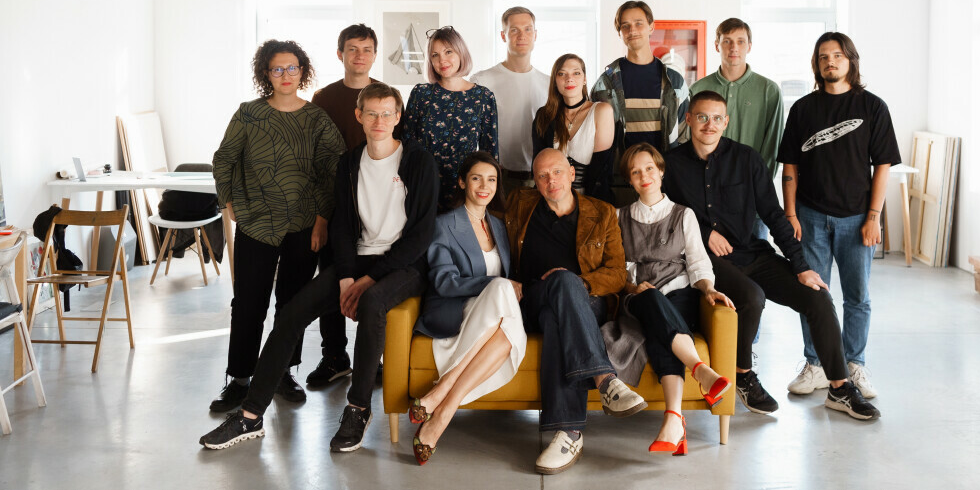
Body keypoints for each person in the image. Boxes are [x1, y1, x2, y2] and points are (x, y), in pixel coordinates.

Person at [199, 82, 440, 452]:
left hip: (405, 264)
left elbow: (421, 235)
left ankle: (358, 409)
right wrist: (346, 277)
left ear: (398, 117)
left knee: (373, 302)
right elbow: (341, 227)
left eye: (387, 113)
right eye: (371, 113)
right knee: (291, 313)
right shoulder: (350, 163)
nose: (379, 121)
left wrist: (368, 279)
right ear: (359, 116)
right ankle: (250, 415)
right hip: (359, 258)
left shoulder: (418, 161)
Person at [664, 91, 880, 421]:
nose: (710, 125)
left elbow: (774, 215)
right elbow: (666, 214)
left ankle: (839, 387)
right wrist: (705, 232)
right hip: (705, 260)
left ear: (726, 122)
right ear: (689, 119)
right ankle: (743, 376)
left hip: (751, 252)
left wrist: (801, 266)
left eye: (717, 118)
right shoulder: (671, 165)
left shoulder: (747, 159)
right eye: (703, 117)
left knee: (818, 296)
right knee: (752, 297)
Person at [209, 39, 345, 413]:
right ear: (266, 74)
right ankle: (240, 380)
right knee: (248, 303)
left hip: (304, 225)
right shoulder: (249, 114)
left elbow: (332, 171)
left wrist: (322, 220)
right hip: (256, 223)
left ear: (303, 71)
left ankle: (284, 372)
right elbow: (223, 159)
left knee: (292, 306)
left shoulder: (316, 119)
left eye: (292, 68)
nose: (286, 75)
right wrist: (227, 201)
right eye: (277, 69)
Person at [504, 148, 646, 475]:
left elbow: (617, 274)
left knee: (560, 307)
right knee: (558, 291)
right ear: (535, 182)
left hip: (586, 300)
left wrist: (580, 283)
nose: (550, 181)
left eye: (556, 172)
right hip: (531, 299)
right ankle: (606, 381)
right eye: (542, 176)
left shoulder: (602, 212)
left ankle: (568, 433)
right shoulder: (519, 205)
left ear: (571, 173)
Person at [779, 32, 901, 400]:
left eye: (837, 55)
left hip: (856, 219)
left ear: (850, 60)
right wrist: (790, 214)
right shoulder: (803, 109)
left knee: (857, 297)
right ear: (816, 64)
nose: (830, 61)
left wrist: (873, 217)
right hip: (810, 216)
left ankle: (854, 364)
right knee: (813, 295)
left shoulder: (873, 107)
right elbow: (790, 165)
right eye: (823, 56)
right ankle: (816, 364)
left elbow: (882, 166)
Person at [604, 143, 732, 456]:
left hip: (678, 293)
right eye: (635, 172)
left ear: (661, 171)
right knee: (650, 301)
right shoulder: (619, 217)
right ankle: (700, 371)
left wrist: (708, 289)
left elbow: (698, 262)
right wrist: (633, 288)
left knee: (660, 333)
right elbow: (619, 270)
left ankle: (674, 420)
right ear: (629, 180)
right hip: (639, 296)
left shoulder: (683, 215)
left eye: (649, 168)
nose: (644, 176)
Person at [410, 152, 527, 465]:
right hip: (454, 310)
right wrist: (496, 284)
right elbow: (444, 282)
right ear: (462, 182)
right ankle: (442, 397)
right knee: (501, 288)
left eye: (491, 180)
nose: (484, 186)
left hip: (492, 318)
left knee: (507, 324)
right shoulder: (443, 225)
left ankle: (442, 406)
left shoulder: (499, 227)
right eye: (476, 178)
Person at [306, 23, 380, 390]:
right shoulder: (324, 98)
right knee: (333, 280)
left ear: (375, 55)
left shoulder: (384, 96)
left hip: (377, 208)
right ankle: (334, 356)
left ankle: (374, 359)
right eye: (352, 49)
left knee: (375, 283)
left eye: (366, 49)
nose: (359, 56)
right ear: (340, 54)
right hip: (335, 208)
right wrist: (321, 218)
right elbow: (316, 161)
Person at [690, 18, 784, 240]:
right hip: (708, 200)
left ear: (749, 46)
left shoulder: (769, 90)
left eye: (740, 41)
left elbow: (773, 148)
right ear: (717, 45)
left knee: (756, 258)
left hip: (751, 202)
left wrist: (758, 192)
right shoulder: (698, 89)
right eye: (727, 41)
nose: (734, 47)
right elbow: (690, 143)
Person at [591, 0, 689, 203]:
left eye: (638, 23)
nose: (632, 30)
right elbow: (594, 142)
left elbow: (684, 138)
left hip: (666, 187)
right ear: (619, 32)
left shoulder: (675, 83)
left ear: (651, 27)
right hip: (620, 187)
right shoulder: (605, 84)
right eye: (625, 26)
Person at [403, 26, 499, 212]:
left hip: (465, 189)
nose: (442, 60)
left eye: (448, 52)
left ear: (461, 52)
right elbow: (407, 145)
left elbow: (490, 154)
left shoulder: (483, 97)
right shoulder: (421, 94)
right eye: (435, 55)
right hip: (424, 187)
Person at [472, 7, 550, 192]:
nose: (522, 36)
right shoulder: (482, 81)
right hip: (496, 178)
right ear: (503, 35)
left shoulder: (549, 84)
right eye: (514, 30)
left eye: (528, 29)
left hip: (539, 179)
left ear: (535, 34)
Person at [532, 53, 615, 203]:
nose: (569, 79)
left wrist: (582, 208)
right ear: (555, 81)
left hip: (592, 200)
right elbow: (539, 167)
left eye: (576, 73)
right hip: (551, 201)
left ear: (584, 79)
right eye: (562, 74)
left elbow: (601, 170)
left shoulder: (602, 111)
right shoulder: (544, 115)